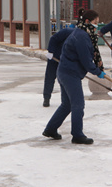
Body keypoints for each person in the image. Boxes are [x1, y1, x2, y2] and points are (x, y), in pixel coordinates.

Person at [43, 9, 105, 145]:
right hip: (70, 74)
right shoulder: (81, 37)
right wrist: (97, 72)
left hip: (65, 72)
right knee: (78, 104)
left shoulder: (81, 33)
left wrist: (97, 69)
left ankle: (50, 129)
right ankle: (77, 135)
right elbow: (86, 60)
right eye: (95, 22)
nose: (97, 26)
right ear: (87, 21)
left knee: (67, 105)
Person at [42, 27, 75, 107]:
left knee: (65, 80)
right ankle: (46, 98)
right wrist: (50, 51)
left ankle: (66, 100)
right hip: (54, 57)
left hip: (66, 61)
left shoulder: (81, 40)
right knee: (50, 77)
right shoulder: (67, 32)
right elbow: (53, 39)